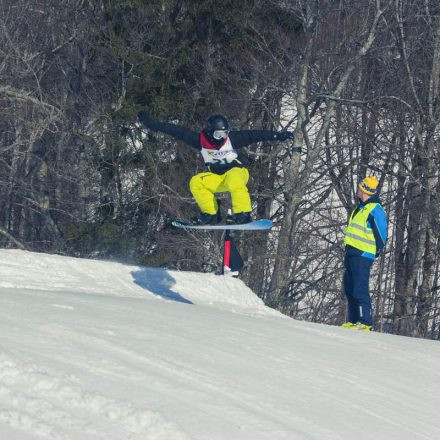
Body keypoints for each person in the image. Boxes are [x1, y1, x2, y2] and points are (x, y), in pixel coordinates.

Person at [138, 112, 294, 224]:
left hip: (238, 172)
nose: (223, 138)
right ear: (211, 132)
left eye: (225, 134)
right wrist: (154, 125)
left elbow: (255, 135)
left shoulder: (232, 139)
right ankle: (211, 214)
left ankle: (243, 214)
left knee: (233, 178)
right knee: (197, 182)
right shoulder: (199, 140)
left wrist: (277, 136)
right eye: (219, 134)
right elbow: (177, 131)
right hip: (218, 178)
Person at [341, 176, 387, 331]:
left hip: (363, 254)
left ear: (365, 190)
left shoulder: (375, 209)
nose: (358, 189)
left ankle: (365, 322)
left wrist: (376, 251)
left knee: (359, 289)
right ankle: (353, 320)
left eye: (360, 187)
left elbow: (381, 234)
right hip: (351, 253)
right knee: (349, 287)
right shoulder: (359, 208)